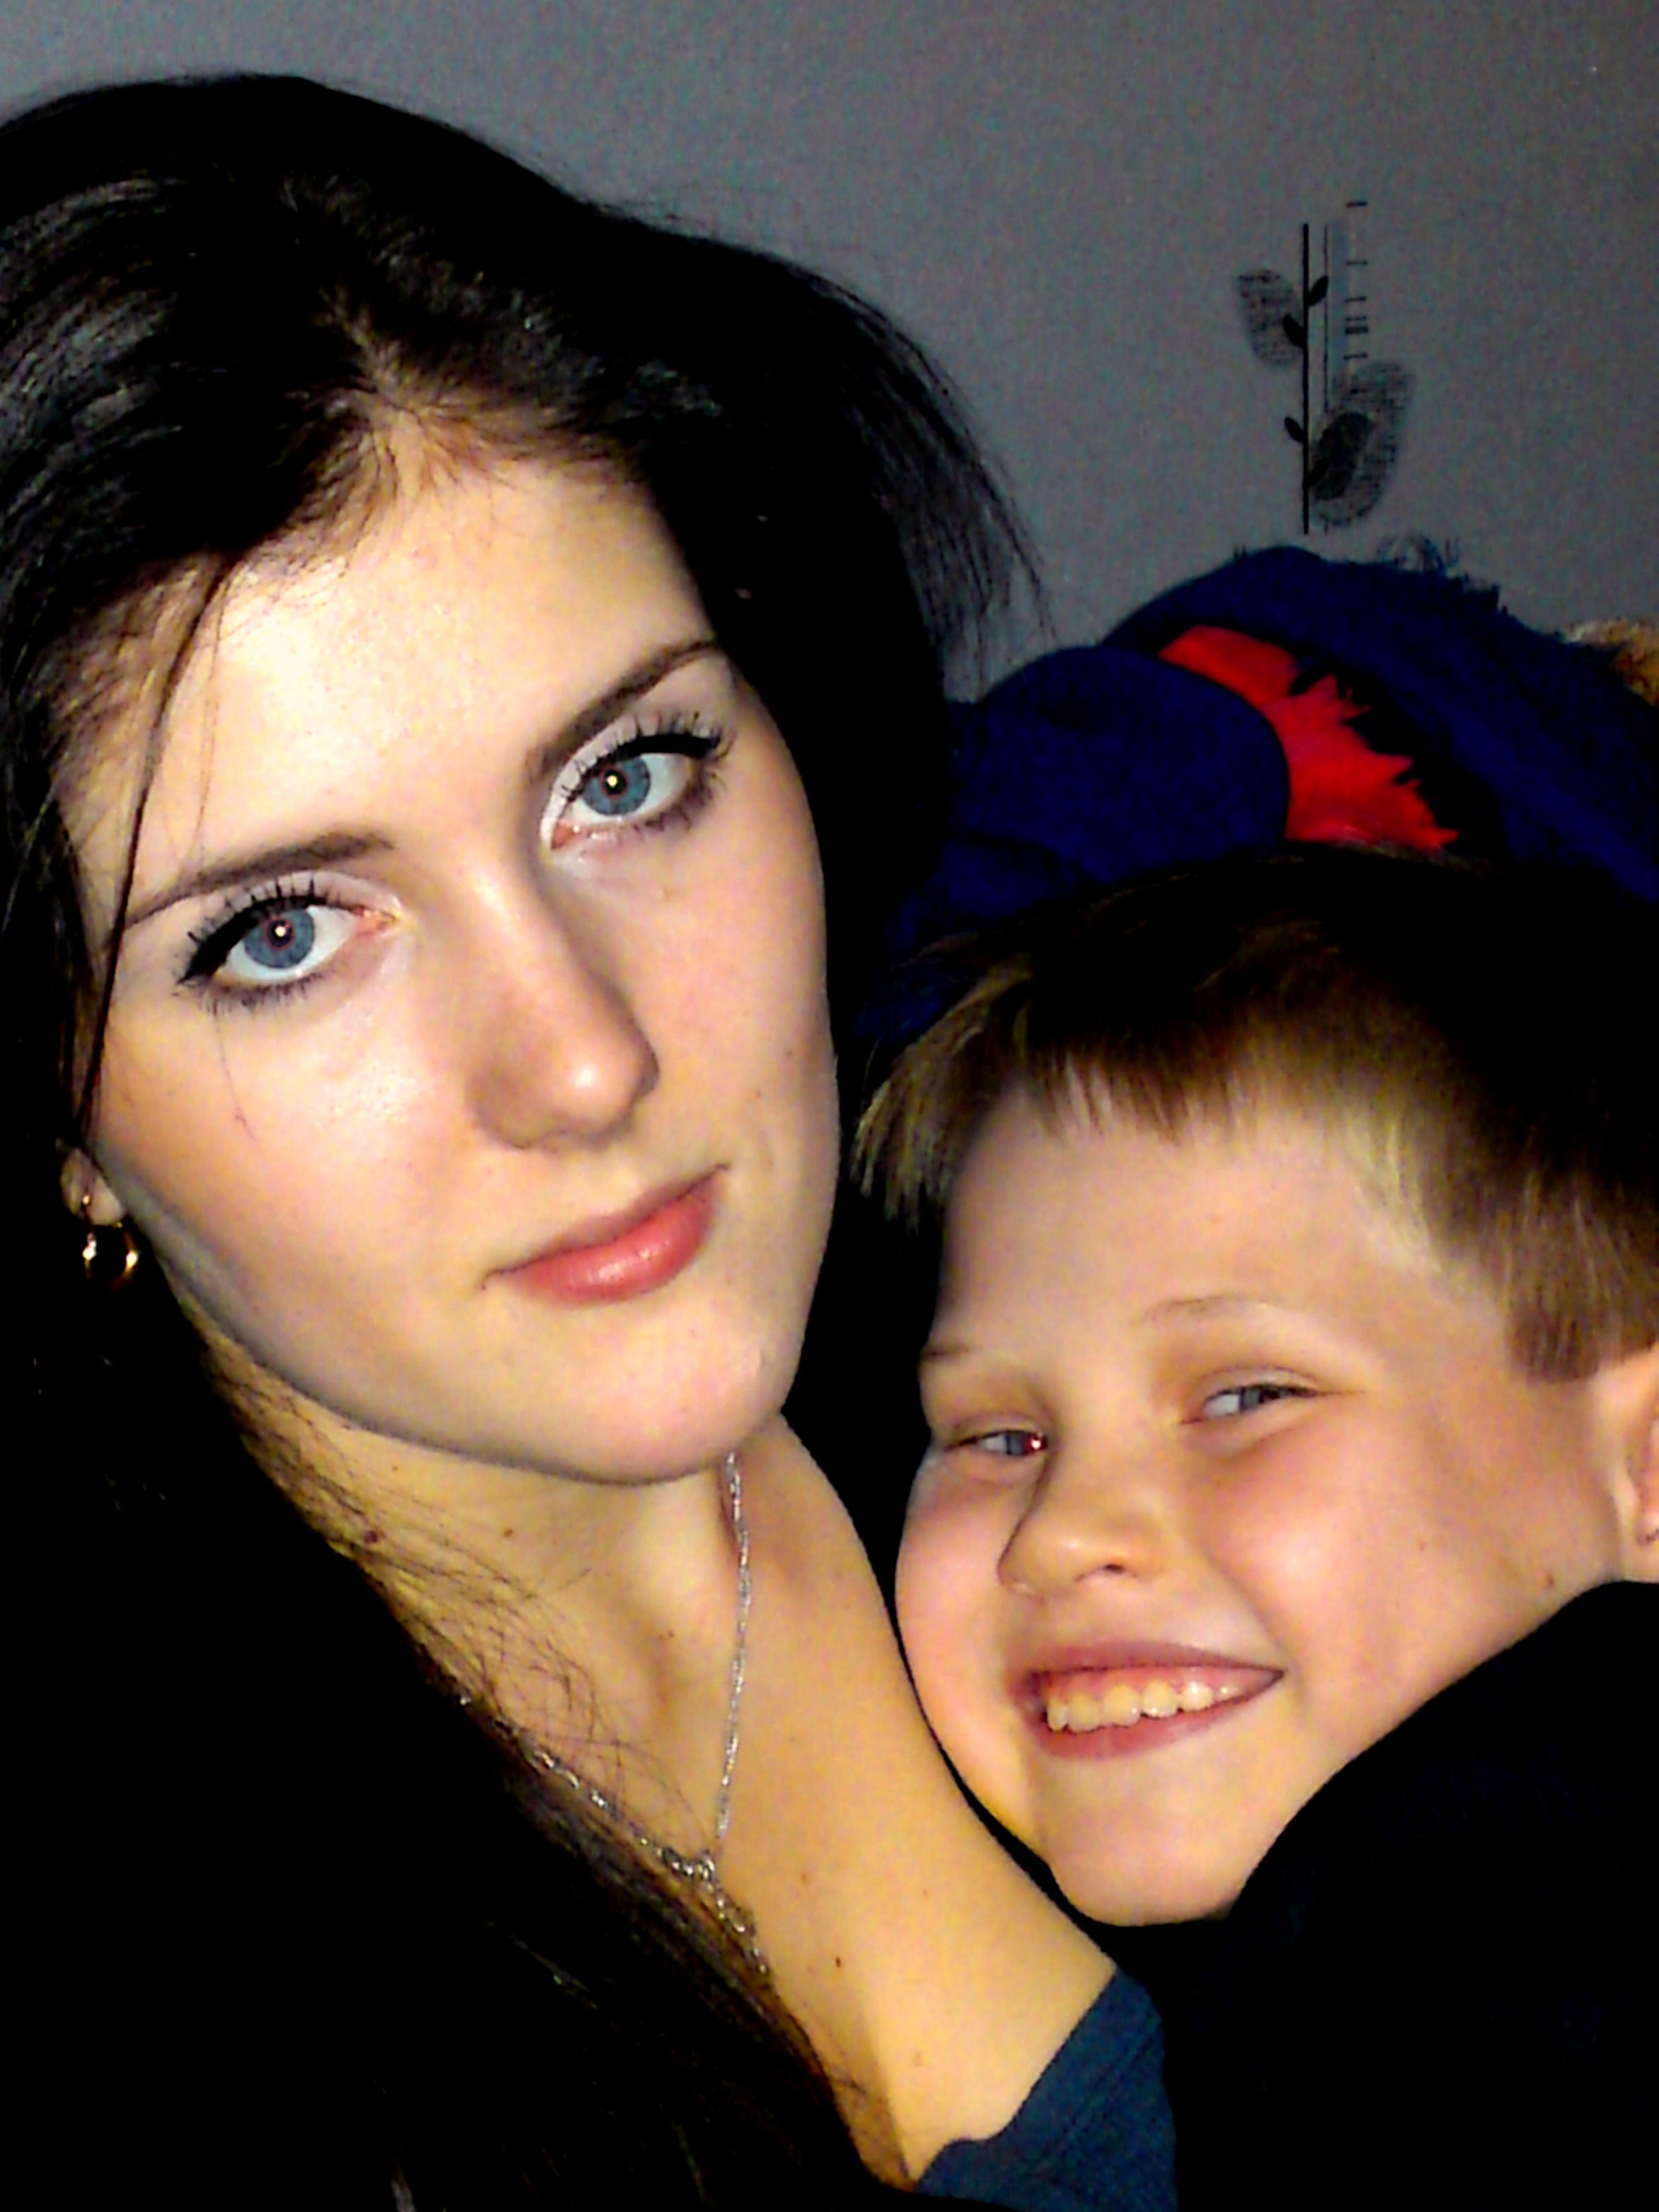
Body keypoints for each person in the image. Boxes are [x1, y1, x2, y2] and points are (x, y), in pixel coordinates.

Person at [4, 74, 1177, 2211]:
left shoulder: (1098, 1294)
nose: (583, 1060)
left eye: (626, 778)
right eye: (281, 934)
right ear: (53, 1120)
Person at [858, 848, 1658, 2206]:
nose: (1060, 1533)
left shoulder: (1512, 1892)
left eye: (1242, 1398)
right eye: (999, 1437)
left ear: (1644, 1465)